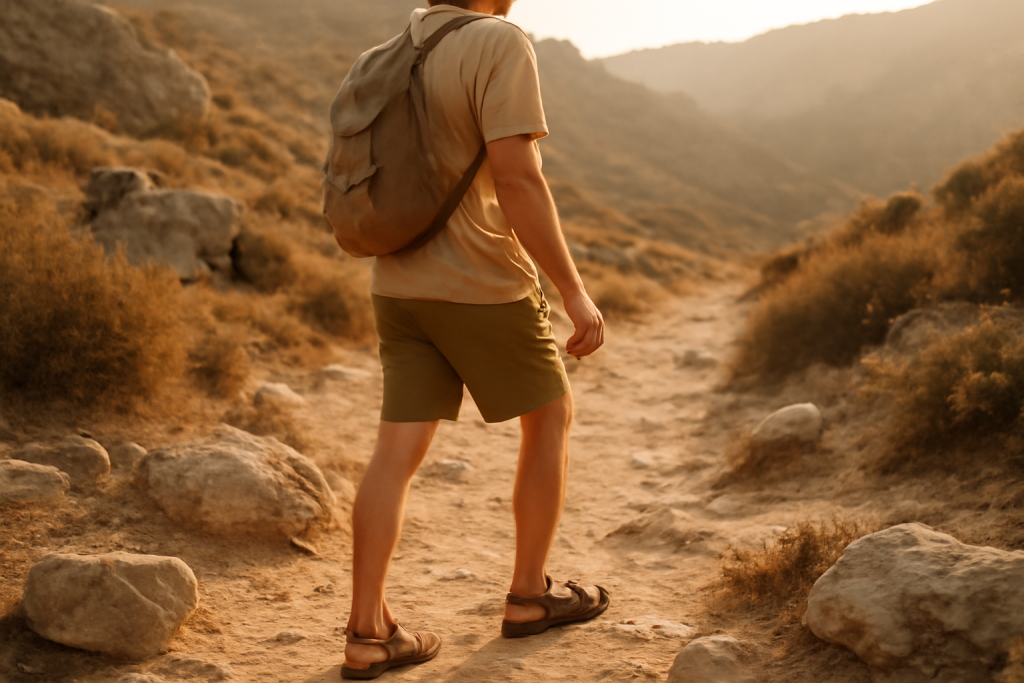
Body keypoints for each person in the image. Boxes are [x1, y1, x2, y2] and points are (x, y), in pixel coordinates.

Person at [340, 0, 609, 678]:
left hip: (396, 284)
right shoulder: (498, 41)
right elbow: (517, 176)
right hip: (481, 283)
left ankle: (367, 632)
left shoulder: (384, 54)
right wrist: (573, 290)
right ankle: (529, 595)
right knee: (549, 416)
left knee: (394, 452)